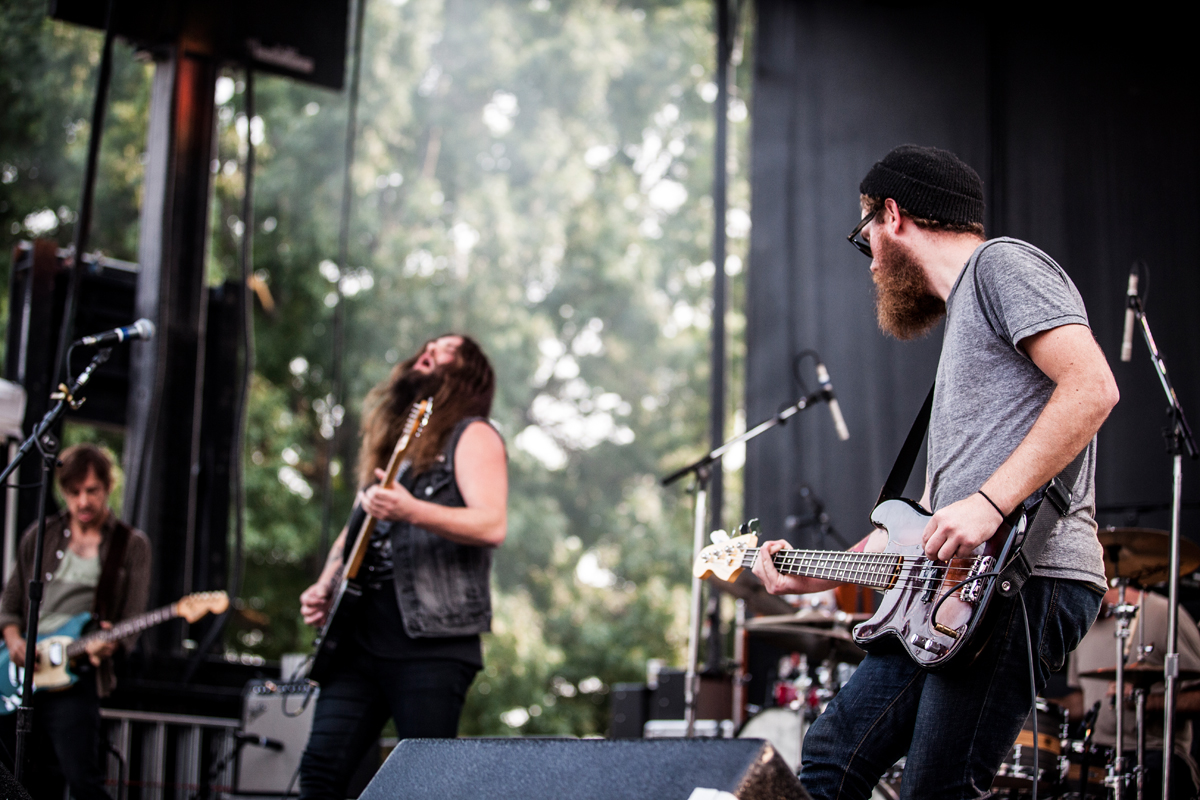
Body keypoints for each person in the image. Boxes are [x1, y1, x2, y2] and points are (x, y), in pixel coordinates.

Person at [752, 144, 1120, 799]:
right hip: (950, 592)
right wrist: (817, 573)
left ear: (891, 215)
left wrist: (990, 503)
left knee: (936, 789)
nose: (870, 262)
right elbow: (918, 526)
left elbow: (1093, 387)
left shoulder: (1001, 265)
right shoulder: (965, 321)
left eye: (864, 235)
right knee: (832, 757)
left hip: (1023, 576)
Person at [297, 334, 507, 800]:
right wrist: (325, 584)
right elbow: (354, 530)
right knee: (319, 774)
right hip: (357, 642)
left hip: (431, 644)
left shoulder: (472, 434)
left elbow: (492, 524)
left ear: (468, 373)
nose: (429, 349)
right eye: (428, 344)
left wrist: (411, 510)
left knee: (424, 785)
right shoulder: (399, 448)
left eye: (446, 348)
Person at [0, 444, 152, 800]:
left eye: (92, 490)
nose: (83, 501)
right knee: (15, 776)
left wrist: (109, 644)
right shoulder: (41, 535)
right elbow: (10, 604)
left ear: (108, 486)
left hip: (75, 673)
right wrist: (15, 640)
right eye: (74, 492)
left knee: (82, 779)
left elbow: (131, 622)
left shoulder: (131, 545)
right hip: (21, 673)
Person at [1057, 587, 1200, 799]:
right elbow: (1086, 700)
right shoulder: (1084, 623)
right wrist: (1038, 709)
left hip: (1153, 751)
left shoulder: (1163, 613)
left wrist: (1145, 701)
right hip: (1097, 755)